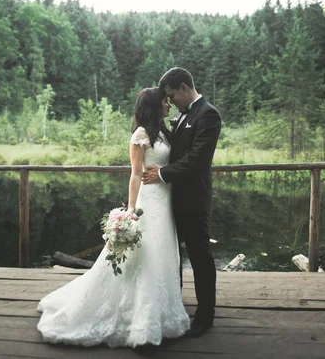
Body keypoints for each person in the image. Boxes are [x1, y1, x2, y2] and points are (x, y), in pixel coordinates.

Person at [37, 87, 190, 348]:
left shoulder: (164, 131)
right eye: (164, 102)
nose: (169, 104)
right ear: (154, 106)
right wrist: (130, 210)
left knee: (162, 253)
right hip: (148, 200)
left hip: (165, 201)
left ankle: (162, 307)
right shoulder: (140, 135)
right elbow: (134, 174)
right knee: (147, 254)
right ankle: (143, 320)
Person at [142, 67, 221, 338]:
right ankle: (173, 305)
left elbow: (198, 159)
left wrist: (162, 173)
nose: (171, 100)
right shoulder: (181, 114)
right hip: (169, 200)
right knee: (171, 255)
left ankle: (205, 315)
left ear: (185, 88)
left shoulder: (208, 114)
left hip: (194, 199)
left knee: (200, 257)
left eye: (172, 95)